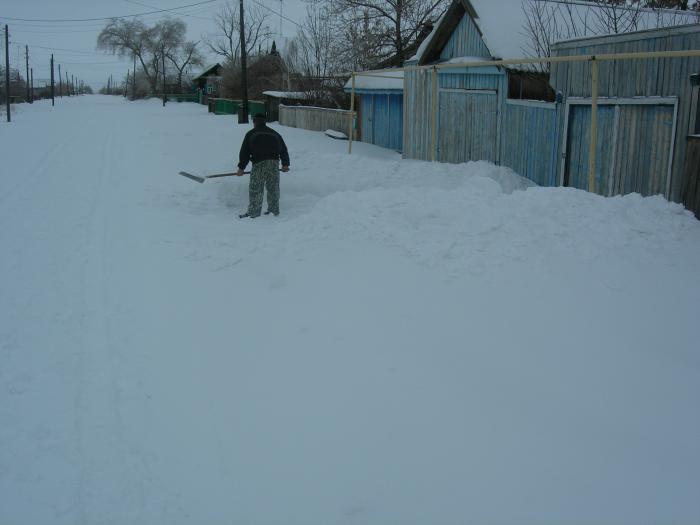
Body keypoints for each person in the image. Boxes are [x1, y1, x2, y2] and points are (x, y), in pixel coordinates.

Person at [236, 113, 290, 218]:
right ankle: (273, 211)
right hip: (273, 164)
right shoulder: (275, 134)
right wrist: (285, 164)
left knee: (256, 188)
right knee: (273, 188)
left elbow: (245, 152)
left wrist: (241, 168)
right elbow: (283, 149)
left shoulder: (251, 133)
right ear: (264, 122)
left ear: (254, 122)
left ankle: (254, 213)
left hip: (259, 163)